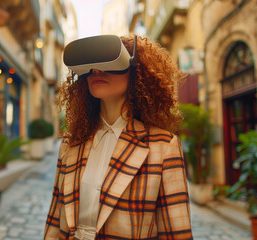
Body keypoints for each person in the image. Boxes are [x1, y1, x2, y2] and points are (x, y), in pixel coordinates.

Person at [44, 34, 193, 240]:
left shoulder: (163, 146)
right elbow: (54, 219)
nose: (97, 70)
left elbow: (177, 233)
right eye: (91, 65)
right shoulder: (71, 143)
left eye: (109, 62)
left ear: (136, 71)